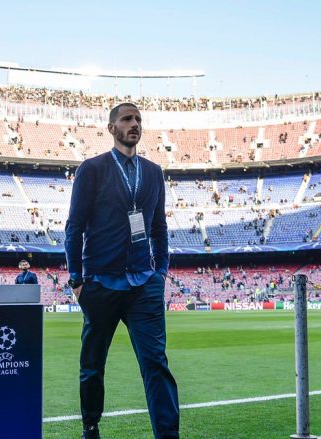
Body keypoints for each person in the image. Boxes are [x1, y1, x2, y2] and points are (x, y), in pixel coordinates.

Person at [65, 103, 179, 439]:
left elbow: (159, 226)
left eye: (138, 120)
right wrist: (77, 280)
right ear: (111, 127)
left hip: (145, 283)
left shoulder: (154, 171)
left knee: (156, 364)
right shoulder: (93, 169)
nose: (134, 125)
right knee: (92, 366)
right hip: (101, 282)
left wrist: (161, 272)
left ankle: (168, 435)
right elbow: (75, 226)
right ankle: (91, 426)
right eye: (127, 119)